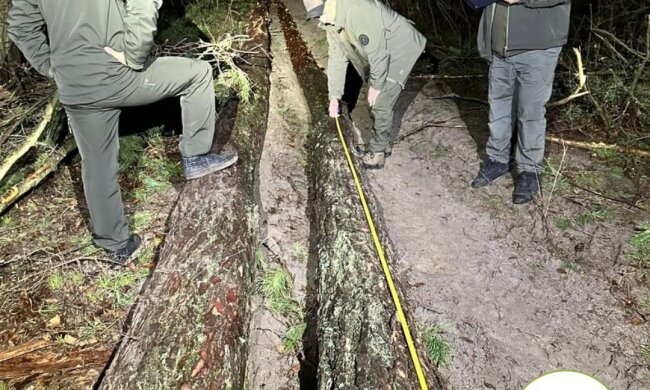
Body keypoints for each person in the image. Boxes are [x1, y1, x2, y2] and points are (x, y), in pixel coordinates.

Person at [7, 0, 238, 264]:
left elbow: (19, 25)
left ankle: (116, 245)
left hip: (74, 85)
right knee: (198, 74)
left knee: (96, 163)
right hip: (117, 75)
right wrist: (134, 54)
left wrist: (50, 66)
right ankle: (196, 156)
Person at [304, 0, 426, 169]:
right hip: (381, 50)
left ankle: (378, 154)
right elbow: (337, 60)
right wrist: (334, 97)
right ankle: (382, 144)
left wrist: (375, 86)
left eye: (320, 13)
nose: (320, 19)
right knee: (375, 99)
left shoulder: (357, 10)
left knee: (380, 101)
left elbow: (378, 54)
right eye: (316, 15)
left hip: (399, 46)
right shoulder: (330, 21)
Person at [471, 0, 571, 204]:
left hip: (538, 48)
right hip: (498, 48)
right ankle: (497, 159)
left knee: (530, 113)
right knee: (498, 107)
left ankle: (528, 170)